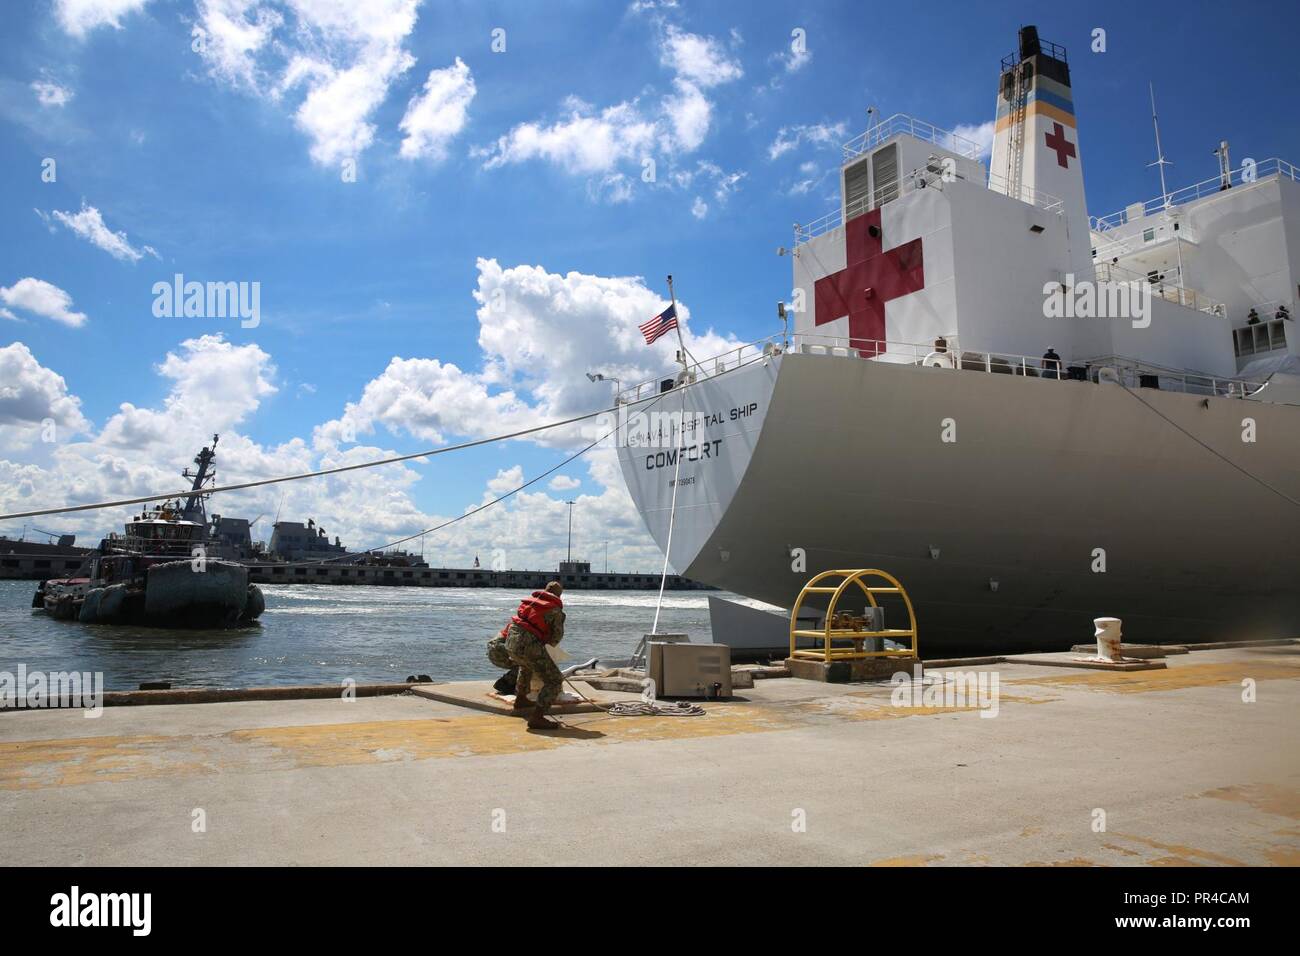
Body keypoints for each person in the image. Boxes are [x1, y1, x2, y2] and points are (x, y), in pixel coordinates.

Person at [486, 581, 566, 729]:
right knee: (554, 680)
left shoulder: (529, 604)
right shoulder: (555, 610)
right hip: (529, 646)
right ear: (559, 595)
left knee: (525, 665)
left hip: (511, 643)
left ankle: (521, 699)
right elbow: (556, 637)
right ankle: (538, 717)